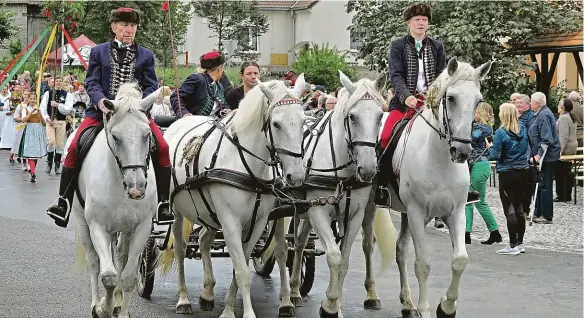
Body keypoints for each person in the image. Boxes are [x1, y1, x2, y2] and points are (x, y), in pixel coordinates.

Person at [46, 7, 174, 227]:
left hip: (135, 114)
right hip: (101, 112)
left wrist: (140, 104)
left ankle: (163, 202)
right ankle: (63, 201)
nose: (129, 30)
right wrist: (100, 102)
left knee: (162, 147)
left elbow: (151, 84)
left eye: (132, 26)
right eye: (124, 25)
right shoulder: (99, 52)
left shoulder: (145, 55)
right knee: (75, 145)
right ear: (114, 27)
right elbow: (93, 82)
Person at [375, 4, 474, 221]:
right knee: (384, 136)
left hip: (431, 104)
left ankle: (465, 183)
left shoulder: (437, 46)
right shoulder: (398, 46)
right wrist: (405, 96)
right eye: (417, 20)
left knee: (456, 132)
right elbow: (395, 75)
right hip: (403, 104)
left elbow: (443, 75)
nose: (421, 23)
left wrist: (432, 97)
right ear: (409, 23)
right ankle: (381, 184)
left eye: (424, 20)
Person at [486, 103, 529, 255]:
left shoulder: (500, 133)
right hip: (523, 171)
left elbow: (495, 156)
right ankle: (520, 243)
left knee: (509, 208)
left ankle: (512, 245)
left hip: (507, 172)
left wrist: (489, 146)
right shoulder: (523, 129)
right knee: (519, 208)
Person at [465, 102, 501, 245]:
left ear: (481, 113)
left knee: (478, 201)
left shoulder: (483, 128)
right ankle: (467, 233)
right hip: (475, 165)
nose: (474, 115)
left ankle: (494, 231)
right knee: (469, 200)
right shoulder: (481, 127)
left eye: (476, 112)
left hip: (479, 166)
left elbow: (471, 137)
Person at [528, 92, 560, 224]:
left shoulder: (544, 115)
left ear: (537, 103)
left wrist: (539, 155)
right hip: (542, 155)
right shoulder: (540, 114)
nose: (530, 103)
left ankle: (547, 215)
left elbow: (547, 139)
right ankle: (538, 212)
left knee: (545, 185)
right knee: (540, 183)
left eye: (531, 101)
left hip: (547, 156)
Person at [170, 51, 228, 117]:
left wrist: (225, 110)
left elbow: (218, 107)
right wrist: (184, 113)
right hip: (193, 124)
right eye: (223, 67)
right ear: (219, 68)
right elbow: (176, 97)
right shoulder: (197, 79)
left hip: (212, 124)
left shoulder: (219, 86)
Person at [40, 76, 74, 175]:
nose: (58, 83)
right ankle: (49, 163)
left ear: (62, 82)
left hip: (61, 121)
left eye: (60, 81)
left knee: (59, 144)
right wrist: (46, 118)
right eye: (57, 81)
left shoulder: (67, 94)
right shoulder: (48, 93)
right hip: (50, 121)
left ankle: (57, 164)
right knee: (51, 142)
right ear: (53, 83)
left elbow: (68, 109)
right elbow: (43, 107)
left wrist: (58, 105)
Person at [18, 93, 47, 182]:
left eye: (34, 99)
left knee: (36, 153)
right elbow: (23, 120)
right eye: (31, 98)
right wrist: (31, 112)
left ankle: (33, 170)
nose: (32, 100)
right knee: (31, 152)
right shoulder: (25, 109)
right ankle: (33, 173)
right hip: (29, 130)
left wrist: (40, 113)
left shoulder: (39, 109)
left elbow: (43, 122)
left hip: (38, 130)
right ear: (28, 99)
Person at [554, 98, 578, 202]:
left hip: (566, 147)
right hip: (572, 145)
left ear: (563, 107)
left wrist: (560, 150)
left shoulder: (564, 118)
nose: (558, 106)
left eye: (559, 104)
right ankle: (567, 193)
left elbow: (563, 136)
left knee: (560, 172)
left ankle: (562, 194)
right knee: (567, 171)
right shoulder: (570, 117)